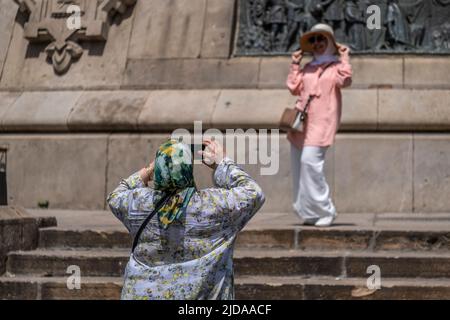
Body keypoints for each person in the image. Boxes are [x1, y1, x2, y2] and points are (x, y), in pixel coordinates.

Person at [107, 138, 265, 300]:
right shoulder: (214, 205)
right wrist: (223, 163)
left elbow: (116, 195)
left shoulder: (138, 203)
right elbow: (254, 193)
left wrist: (149, 169)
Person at [286, 23, 352, 227]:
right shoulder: (309, 67)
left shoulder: (336, 67)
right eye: (313, 40)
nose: (317, 44)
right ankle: (308, 211)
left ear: (331, 41)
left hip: (323, 121)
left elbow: (346, 80)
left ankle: (326, 209)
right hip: (302, 124)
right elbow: (294, 87)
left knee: (310, 162)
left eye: (322, 39)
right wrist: (295, 64)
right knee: (299, 166)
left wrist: (344, 58)